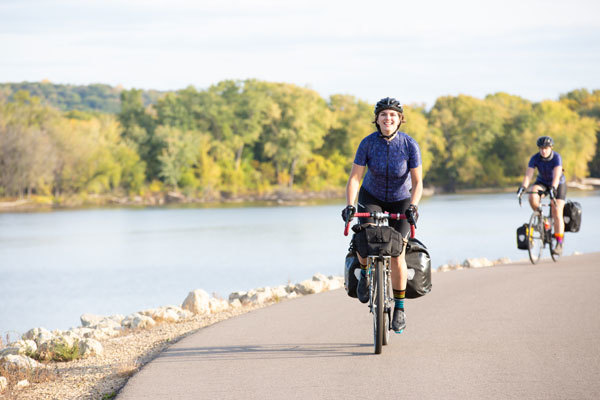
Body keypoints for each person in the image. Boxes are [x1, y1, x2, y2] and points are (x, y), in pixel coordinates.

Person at [341, 97, 423, 333]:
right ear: (377, 120)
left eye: (393, 115)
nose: (388, 118)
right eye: (384, 115)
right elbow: (355, 177)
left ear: (400, 120)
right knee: (364, 238)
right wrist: (349, 205)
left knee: (397, 253)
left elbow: (417, 182)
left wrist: (413, 206)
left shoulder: (409, 145)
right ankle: (366, 274)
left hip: (401, 200)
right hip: (372, 196)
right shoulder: (367, 143)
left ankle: (399, 308)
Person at [517, 136, 566, 255]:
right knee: (532, 196)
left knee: (557, 211)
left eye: (546, 148)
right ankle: (543, 219)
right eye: (541, 148)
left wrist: (553, 188)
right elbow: (528, 175)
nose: (543, 151)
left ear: (551, 148)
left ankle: (559, 243)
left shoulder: (556, 157)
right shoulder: (535, 158)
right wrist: (523, 187)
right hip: (542, 182)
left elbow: (556, 175)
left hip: (558, 184)